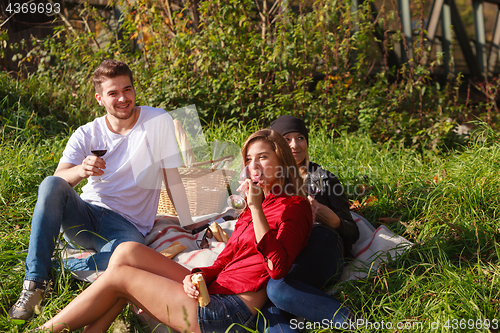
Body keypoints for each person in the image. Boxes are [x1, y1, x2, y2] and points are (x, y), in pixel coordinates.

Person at [35, 129, 313, 333]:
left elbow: (277, 268)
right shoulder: (255, 205)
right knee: (127, 251)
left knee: (121, 277)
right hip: (212, 289)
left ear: (282, 159)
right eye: (249, 159)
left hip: (231, 311)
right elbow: (225, 259)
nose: (253, 166)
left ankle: (47, 331)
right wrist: (197, 276)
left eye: (263, 157)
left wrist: (256, 209)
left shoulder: (295, 207)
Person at [8, 59, 193, 321]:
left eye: (127, 89)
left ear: (134, 90)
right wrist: (81, 170)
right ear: (100, 99)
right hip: (85, 214)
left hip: (127, 226)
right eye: (113, 93)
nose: (122, 98)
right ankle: (35, 283)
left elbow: (172, 177)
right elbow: (58, 181)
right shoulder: (87, 133)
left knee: (126, 258)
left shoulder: (158, 120)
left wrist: (189, 223)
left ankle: (57, 268)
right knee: (50, 183)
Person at [263, 115, 360, 331]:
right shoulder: (267, 179)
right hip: (284, 248)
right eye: (287, 139)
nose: (295, 145)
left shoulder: (325, 179)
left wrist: (334, 221)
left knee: (277, 289)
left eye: (300, 138)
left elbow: (352, 231)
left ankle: (353, 321)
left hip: (321, 241)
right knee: (270, 306)